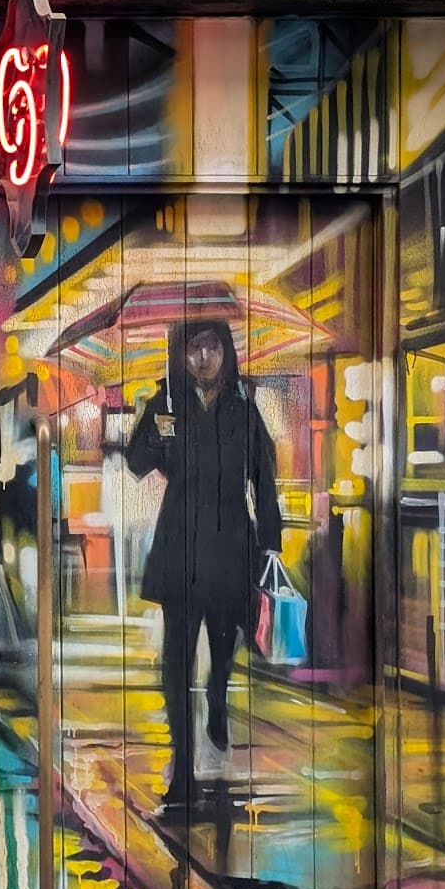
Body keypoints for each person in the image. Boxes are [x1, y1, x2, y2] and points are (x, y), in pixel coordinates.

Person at [125, 319, 282, 812]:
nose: (204, 358)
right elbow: (136, 460)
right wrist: (157, 425)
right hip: (181, 547)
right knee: (176, 657)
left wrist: (272, 544)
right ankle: (183, 762)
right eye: (194, 349)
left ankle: (217, 694)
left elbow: (265, 478)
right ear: (183, 355)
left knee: (223, 641)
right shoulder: (167, 403)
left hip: (231, 543)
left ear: (225, 353)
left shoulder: (241, 409)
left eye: (212, 348)